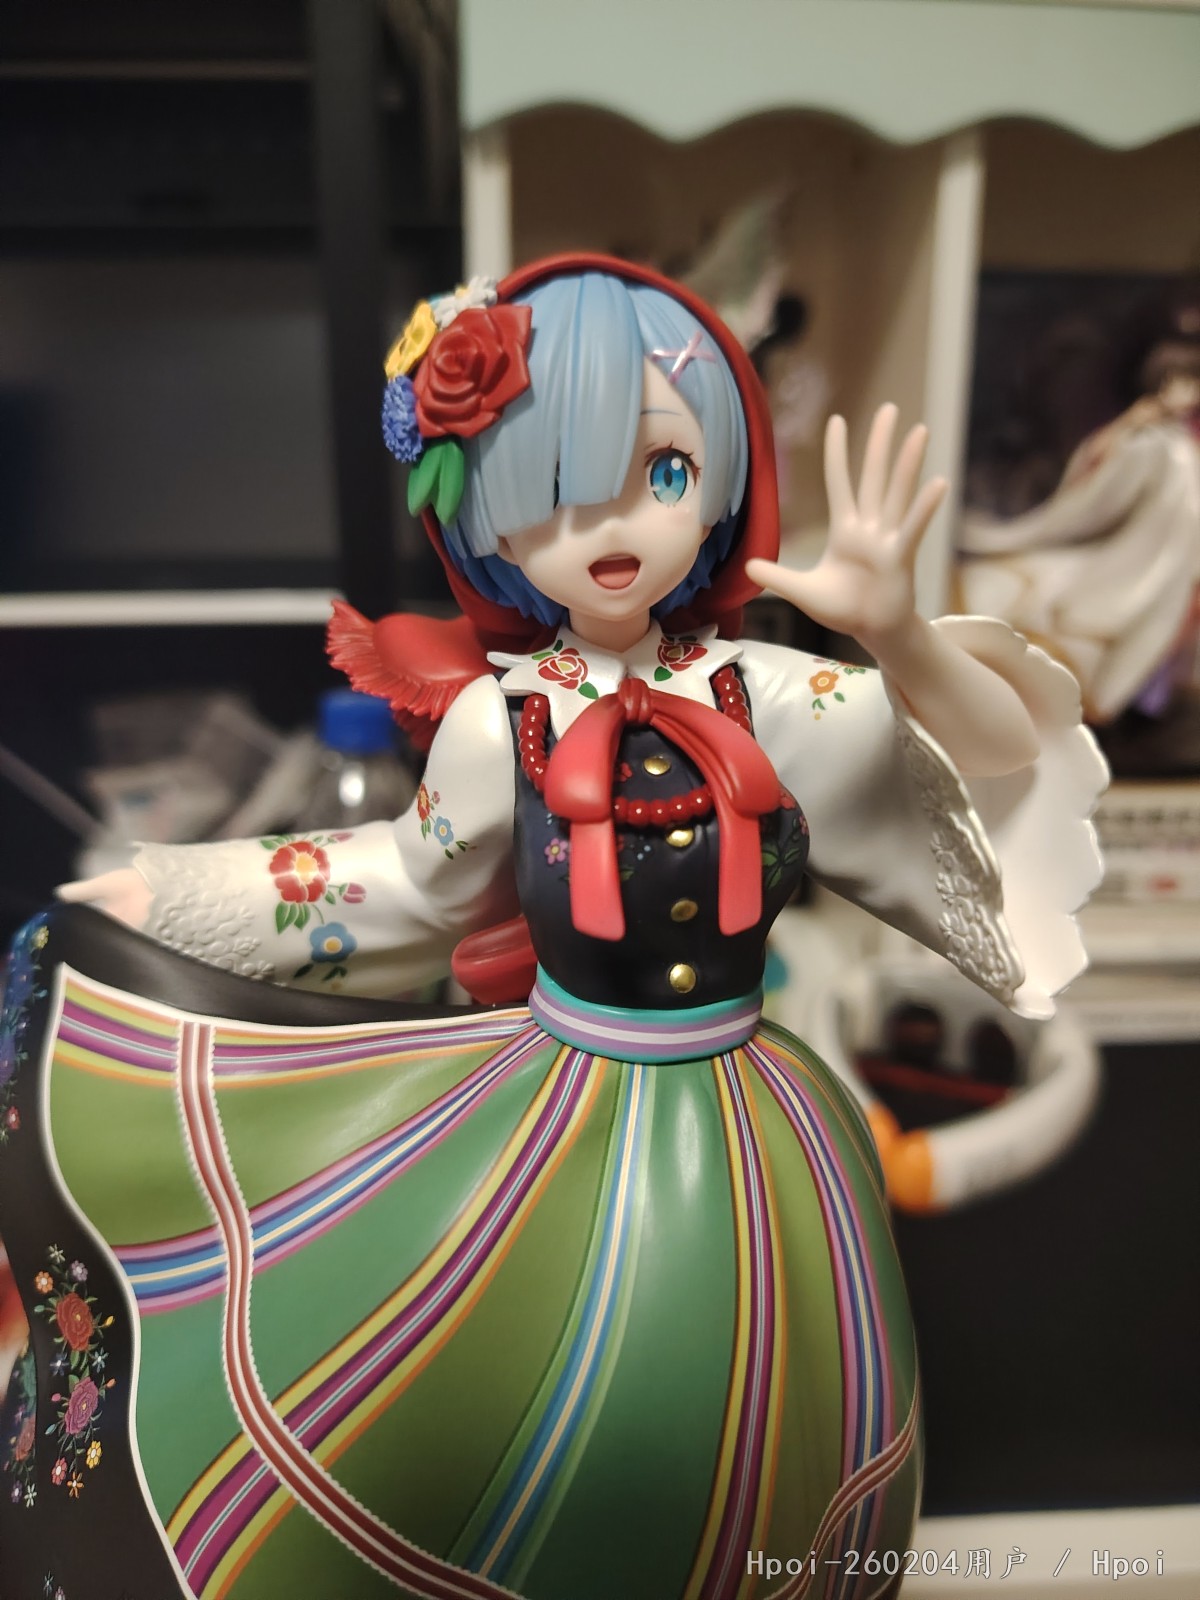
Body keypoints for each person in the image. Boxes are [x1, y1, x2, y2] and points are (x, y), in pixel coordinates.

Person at [8, 255, 1103, 1600]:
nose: (611, 526)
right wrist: (175, 898)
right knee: (497, 1413)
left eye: (661, 471)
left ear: (722, 479)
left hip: (755, 1124)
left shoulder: (773, 694)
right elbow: (405, 883)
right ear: (489, 527)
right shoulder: (499, 721)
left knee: (766, 1427)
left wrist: (901, 636)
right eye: (550, 492)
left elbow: (996, 758)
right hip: (550, 1118)